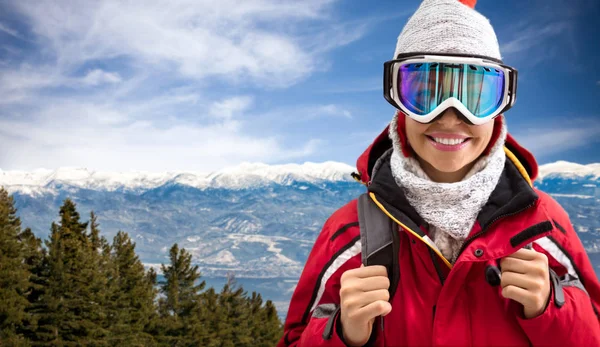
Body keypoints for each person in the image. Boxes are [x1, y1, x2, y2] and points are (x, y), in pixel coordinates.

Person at [277, 0, 600, 346]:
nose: (450, 116)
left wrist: (553, 306)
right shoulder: (351, 233)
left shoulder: (543, 225)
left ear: (500, 108)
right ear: (398, 101)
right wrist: (343, 334)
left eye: (475, 97)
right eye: (424, 94)